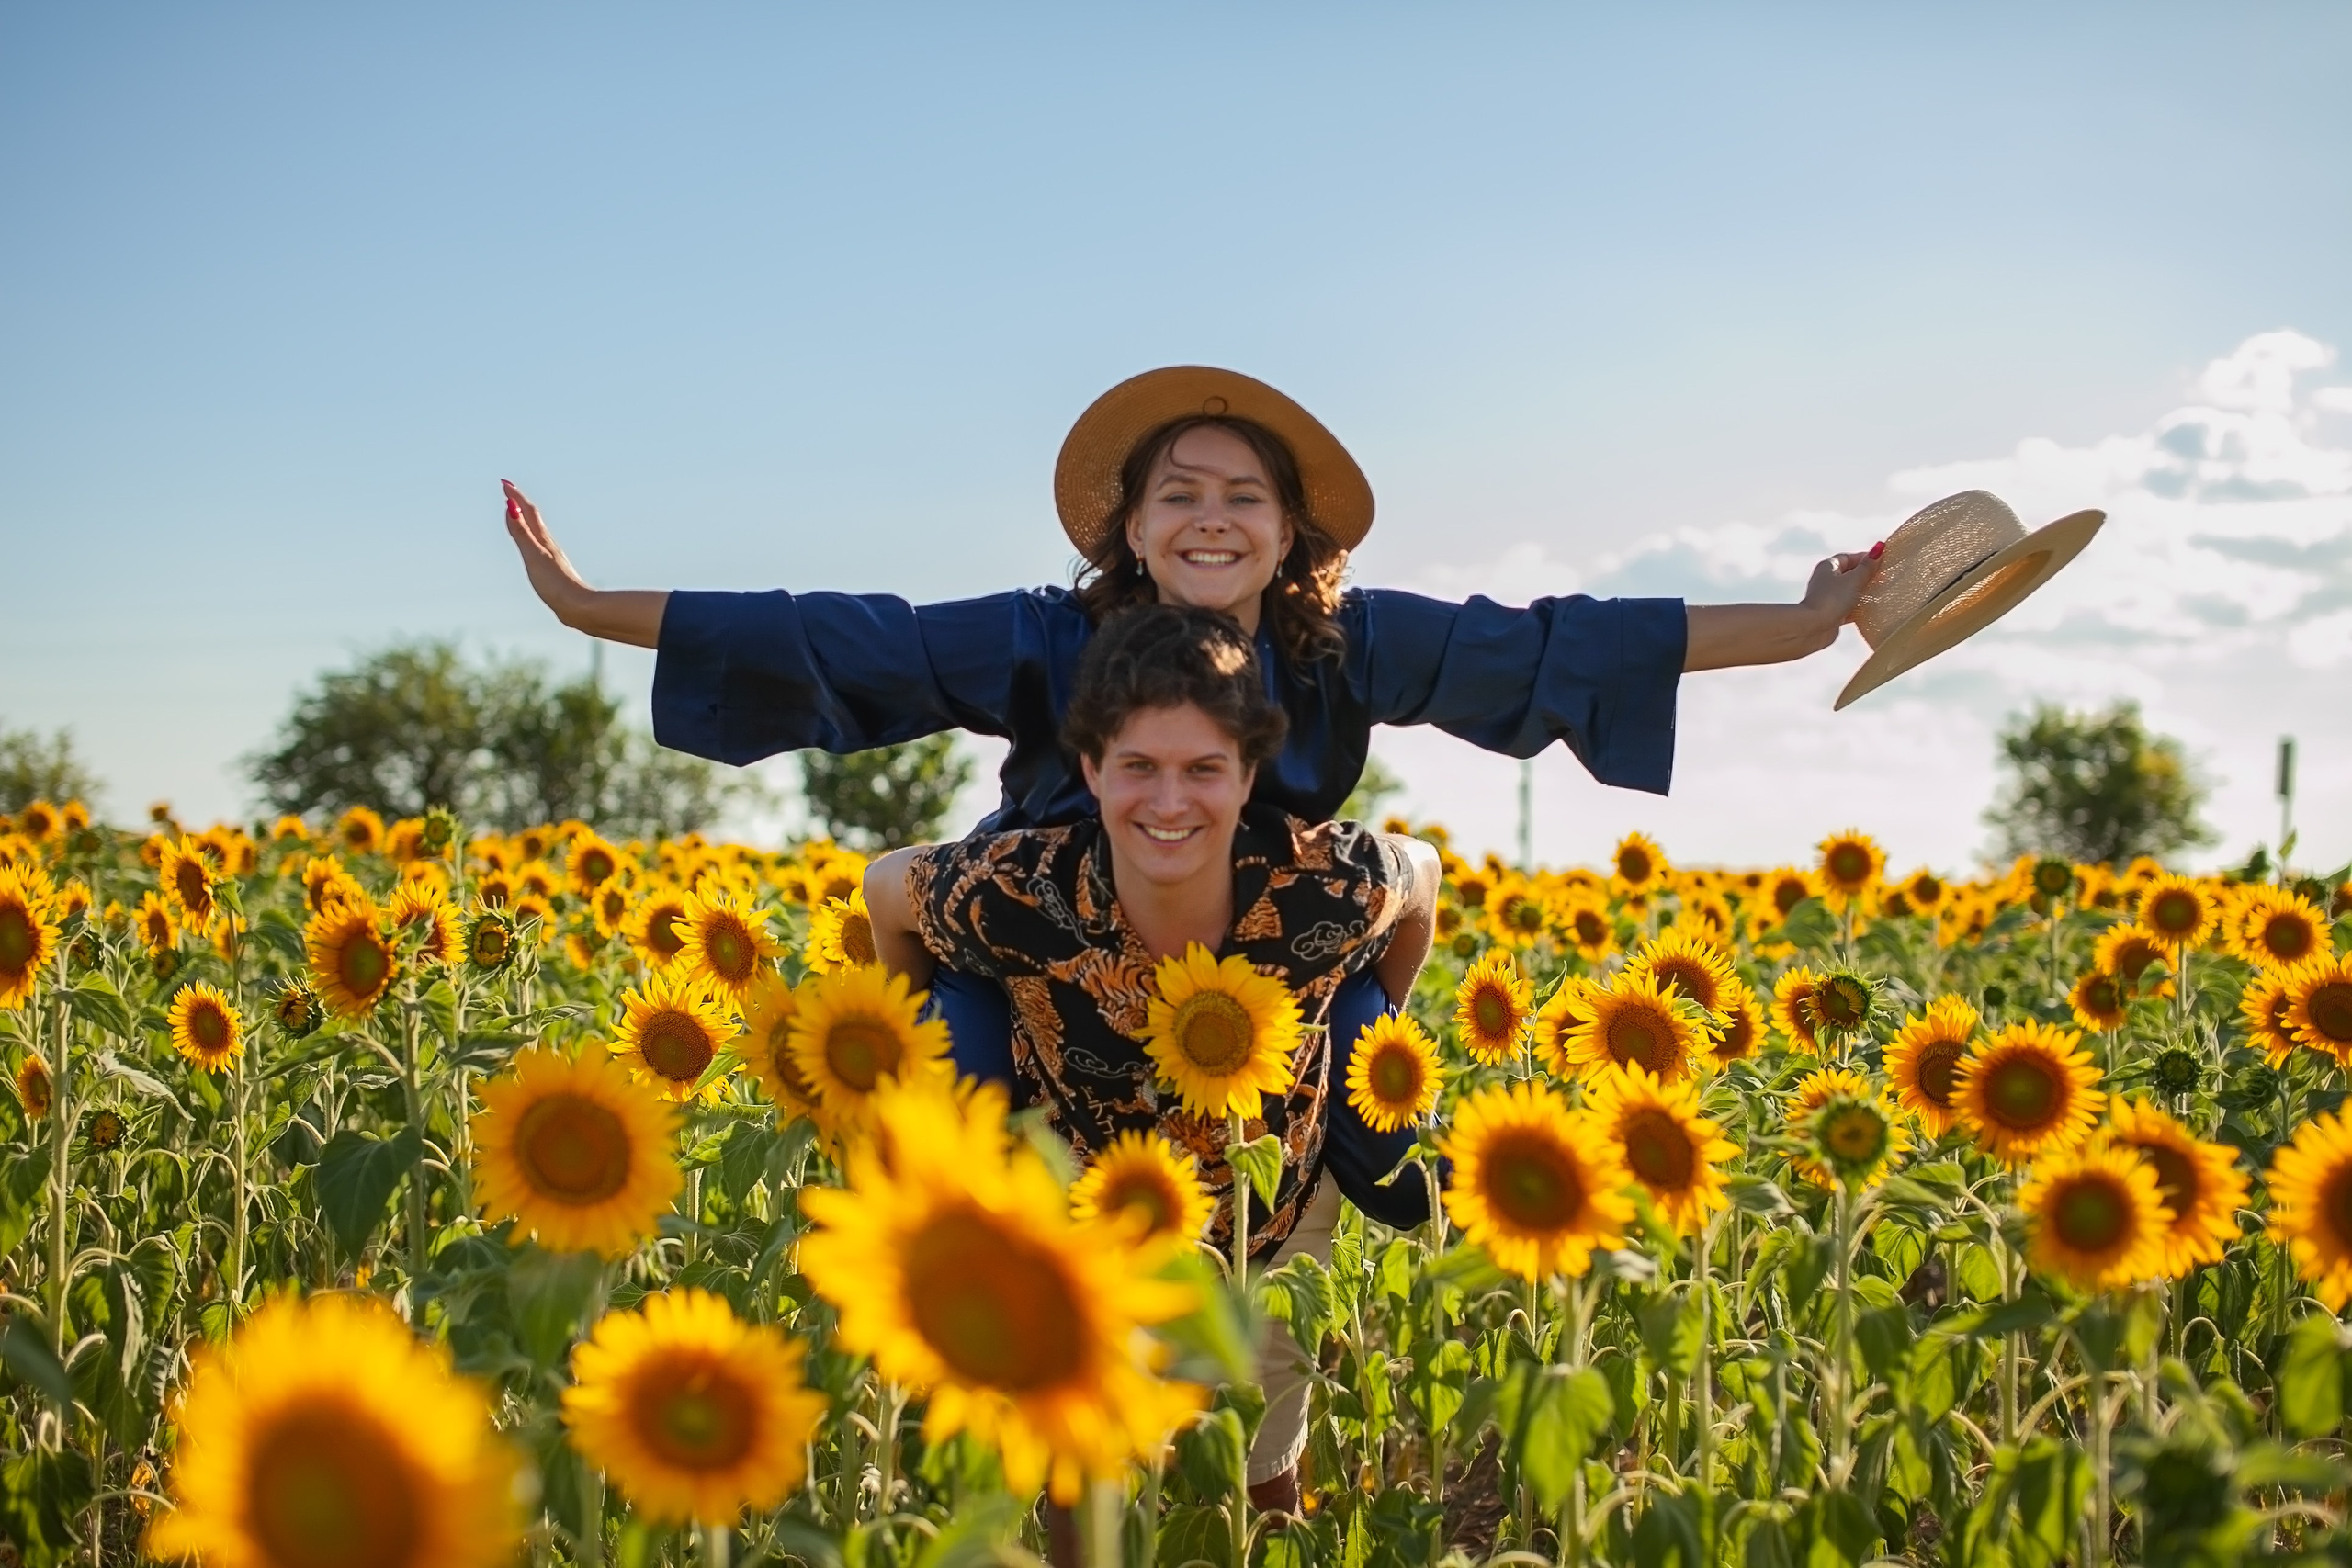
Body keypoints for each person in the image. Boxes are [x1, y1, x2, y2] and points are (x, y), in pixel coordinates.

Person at [501, 364, 1871, 1101]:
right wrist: (586, 604)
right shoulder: (1044, 631)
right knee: (958, 1107)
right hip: (1043, 936)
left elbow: (1562, 640)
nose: (1210, 517)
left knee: (1380, 1123)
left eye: (1243, 498)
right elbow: (840, 634)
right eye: (1177, 494)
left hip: (1265, 945)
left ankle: (1272, 1451)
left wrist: (1799, 625)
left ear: (1289, 535)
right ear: (1134, 526)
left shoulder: (1357, 636)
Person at [861, 601, 1442, 1519]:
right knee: (1072, 1483)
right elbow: (883, 889)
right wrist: (918, 1029)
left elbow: (1421, 883)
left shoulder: (1325, 885)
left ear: (1248, 774)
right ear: (1090, 769)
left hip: (1272, 1210)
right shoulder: (1018, 891)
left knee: (1258, 1474)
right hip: (1082, 1236)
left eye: (1203, 769)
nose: (1169, 803)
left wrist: (1374, 1013)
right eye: (1138, 767)